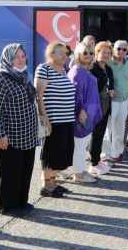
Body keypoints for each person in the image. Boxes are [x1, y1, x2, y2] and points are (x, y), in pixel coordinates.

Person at [0, 43, 38, 217]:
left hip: (27, 135)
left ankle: (21, 202)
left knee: (25, 169)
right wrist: (0, 135)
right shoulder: (0, 78)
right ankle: (8, 206)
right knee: (10, 172)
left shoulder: (22, 75)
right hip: (9, 137)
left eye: (23, 56)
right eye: (16, 57)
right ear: (7, 59)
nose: (20, 59)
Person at [35, 42, 76, 198]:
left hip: (66, 119)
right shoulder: (44, 69)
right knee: (51, 152)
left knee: (60, 153)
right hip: (53, 120)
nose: (65, 56)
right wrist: (44, 117)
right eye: (61, 53)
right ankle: (46, 185)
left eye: (66, 53)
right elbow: (39, 96)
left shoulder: (63, 70)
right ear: (51, 54)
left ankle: (53, 182)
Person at [68, 43, 102, 183]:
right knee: (80, 146)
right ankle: (78, 175)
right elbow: (75, 94)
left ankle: (80, 170)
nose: (89, 55)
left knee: (82, 146)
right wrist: (80, 111)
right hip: (82, 115)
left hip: (89, 113)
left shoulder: (84, 70)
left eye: (91, 53)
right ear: (78, 54)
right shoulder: (77, 71)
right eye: (85, 53)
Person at [104, 40, 128, 162]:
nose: (121, 51)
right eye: (118, 49)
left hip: (124, 100)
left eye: (124, 49)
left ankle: (117, 153)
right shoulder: (108, 63)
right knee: (109, 128)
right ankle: (106, 154)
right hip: (111, 101)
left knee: (121, 127)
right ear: (113, 49)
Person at [88, 41, 114, 176]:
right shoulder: (92, 68)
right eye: (103, 52)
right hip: (95, 105)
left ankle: (97, 159)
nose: (106, 55)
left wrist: (112, 90)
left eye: (108, 53)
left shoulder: (108, 68)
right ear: (97, 53)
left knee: (100, 133)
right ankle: (93, 163)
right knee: (96, 134)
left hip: (106, 105)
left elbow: (111, 84)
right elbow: (92, 88)